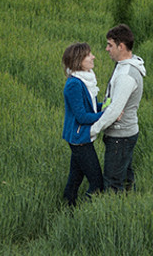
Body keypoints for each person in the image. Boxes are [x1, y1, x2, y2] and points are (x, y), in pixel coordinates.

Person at [90, 23, 146, 192]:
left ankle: (116, 212)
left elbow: (115, 110)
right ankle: (130, 209)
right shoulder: (124, 67)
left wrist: (93, 130)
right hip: (123, 134)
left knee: (113, 184)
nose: (107, 49)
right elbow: (112, 104)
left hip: (120, 137)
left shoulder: (126, 75)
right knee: (126, 180)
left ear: (121, 46)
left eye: (110, 45)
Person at [61, 42, 104, 206]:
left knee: (75, 179)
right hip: (79, 139)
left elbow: (91, 108)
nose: (93, 57)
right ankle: (83, 214)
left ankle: (67, 210)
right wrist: (107, 114)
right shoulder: (74, 84)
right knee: (97, 184)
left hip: (82, 137)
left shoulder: (86, 80)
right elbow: (82, 117)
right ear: (79, 60)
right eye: (89, 55)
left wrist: (105, 106)